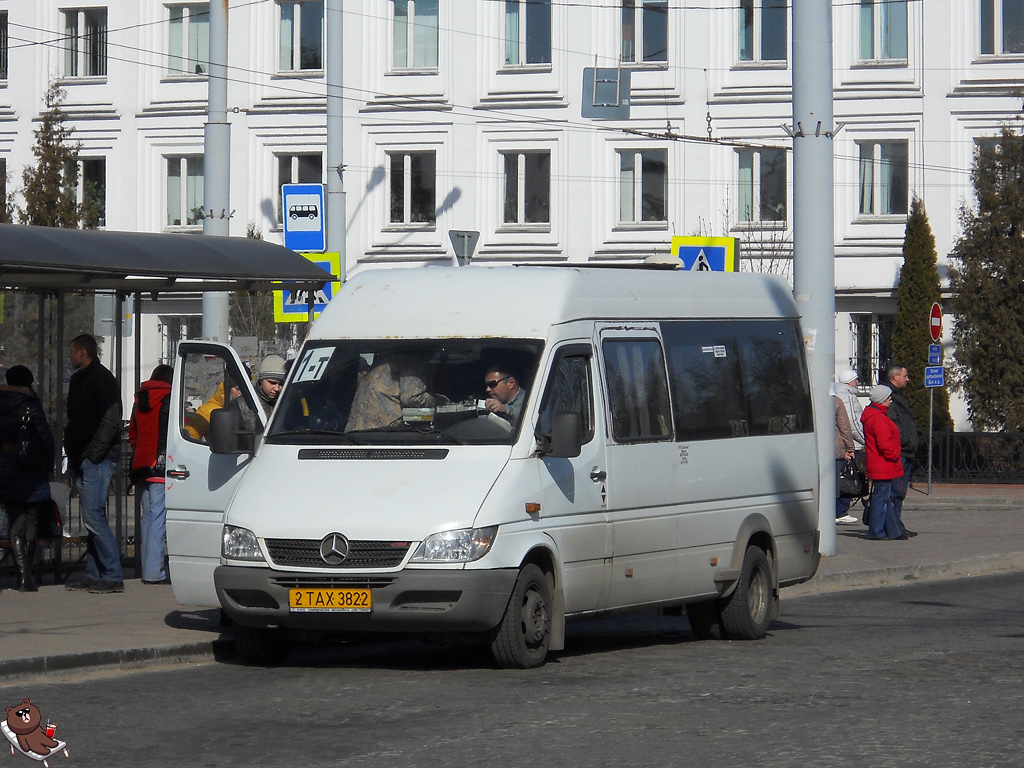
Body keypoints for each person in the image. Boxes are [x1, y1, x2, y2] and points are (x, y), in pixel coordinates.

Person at [64, 334, 124, 594]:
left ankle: (112, 574)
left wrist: (95, 453)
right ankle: (94, 571)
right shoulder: (83, 379)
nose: (70, 357)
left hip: (95, 458)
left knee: (94, 516)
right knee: (90, 517)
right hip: (84, 455)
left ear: (82, 353)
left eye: (72, 352)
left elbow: (112, 418)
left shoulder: (100, 379)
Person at [0, 366, 55, 592]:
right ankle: (27, 575)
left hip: (4, 467)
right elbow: (45, 438)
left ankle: (24, 575)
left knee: (16, 519)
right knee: (31, 518)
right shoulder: (31, 405)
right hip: (31, 468)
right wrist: (48, 464)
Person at [128, 364, 173, 584]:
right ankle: (154, 572)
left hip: (141, 465)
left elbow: (133, 435)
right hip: (161, 464)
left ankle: (147, 568)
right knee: (158, 518)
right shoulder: (169, 399)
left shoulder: (139, 400)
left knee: (148, 517)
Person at [860, 385, 907, 541]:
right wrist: (894, 455)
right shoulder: (878, 418)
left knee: (882, 497)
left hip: (880, 463)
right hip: (884, 463)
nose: (890, 400)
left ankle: (887, 530)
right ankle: (877, 531)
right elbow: (884, 444)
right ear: (881, 400)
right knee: (882, 498)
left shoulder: (875, 415)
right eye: (888, 398)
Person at [345, 354, 436, 431]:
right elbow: (412, 398)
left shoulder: (383, 356)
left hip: (356, 432)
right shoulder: (410, 358)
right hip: (382, 433)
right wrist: (436, 401)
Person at [884, 362, 919, 537]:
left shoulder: (898, 396)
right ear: (895, 376)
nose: (907, 379)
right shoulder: (889, 396)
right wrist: (907, 441)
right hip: (900, 451)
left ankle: (897, 525)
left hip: (906, 451)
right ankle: (893, 527)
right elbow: (894, 424)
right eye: (905, 376)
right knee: (895, 491)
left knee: (900, 491)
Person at [835, 369, 865, 522]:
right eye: (856, 379)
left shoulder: (839, 394)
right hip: (849, 443)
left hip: (842, 443)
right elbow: (851, 423)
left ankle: (839, 510)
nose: (857, 382)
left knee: (840, 476)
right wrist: (862, 441)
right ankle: (840, 511)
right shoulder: (847, 396)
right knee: (848, 477)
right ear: (850, 381)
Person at [833, 394, 858, 524]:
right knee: (835, 481)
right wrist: (850, 448)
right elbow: (844, 427)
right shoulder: (836, 401)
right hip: (834, 447)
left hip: (814, 447)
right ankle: (838, 512)